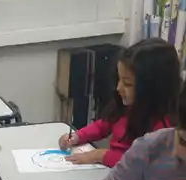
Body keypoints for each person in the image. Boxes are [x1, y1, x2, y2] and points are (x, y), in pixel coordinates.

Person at [59, 38, 181, 167]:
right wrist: (78, 136)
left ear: (153, 88)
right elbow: (103, 125)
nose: (118, 88)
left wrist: (99, 155)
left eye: (127, 83)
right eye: (119, 79)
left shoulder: (163, 129)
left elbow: (138, 163)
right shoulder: (125, 106)